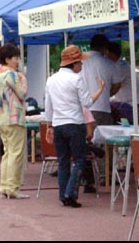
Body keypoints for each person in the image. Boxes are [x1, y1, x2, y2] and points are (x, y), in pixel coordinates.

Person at [44, 45, 105, 207]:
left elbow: (48, 106)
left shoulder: (51, 80)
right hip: (75, 124)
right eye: (80, 63)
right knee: (79, 160)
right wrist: (100, 89)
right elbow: (87, 103)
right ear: (74, 63)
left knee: (63, 161)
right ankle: (70, 193)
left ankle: (63, 194)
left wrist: (49, 125)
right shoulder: (77, 79)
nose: (82, 66)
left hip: (58, 124)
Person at [0, 43, 30, 199]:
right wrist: (23, 79)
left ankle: (5, 186)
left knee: (7, 153)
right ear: (8, 59)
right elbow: (22, 93)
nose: (17, 61)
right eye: (15, 58)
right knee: (16, 153)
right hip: (15, 117)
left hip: (1, 117)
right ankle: (13, 187)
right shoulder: (13, 75)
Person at [107, 42, 139, 124]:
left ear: (110, 54)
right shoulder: (114, 66)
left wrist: (101, 97)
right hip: (127, 104)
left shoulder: (121, 67)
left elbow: (114, 87)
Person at [80, 34, 121, 126]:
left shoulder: (80, 61)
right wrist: (107, 93)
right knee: (102, 138)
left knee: (84, 138)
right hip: (102, 108)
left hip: (81, 109)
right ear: (104, 48)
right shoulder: (109, 64)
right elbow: (117, 85)